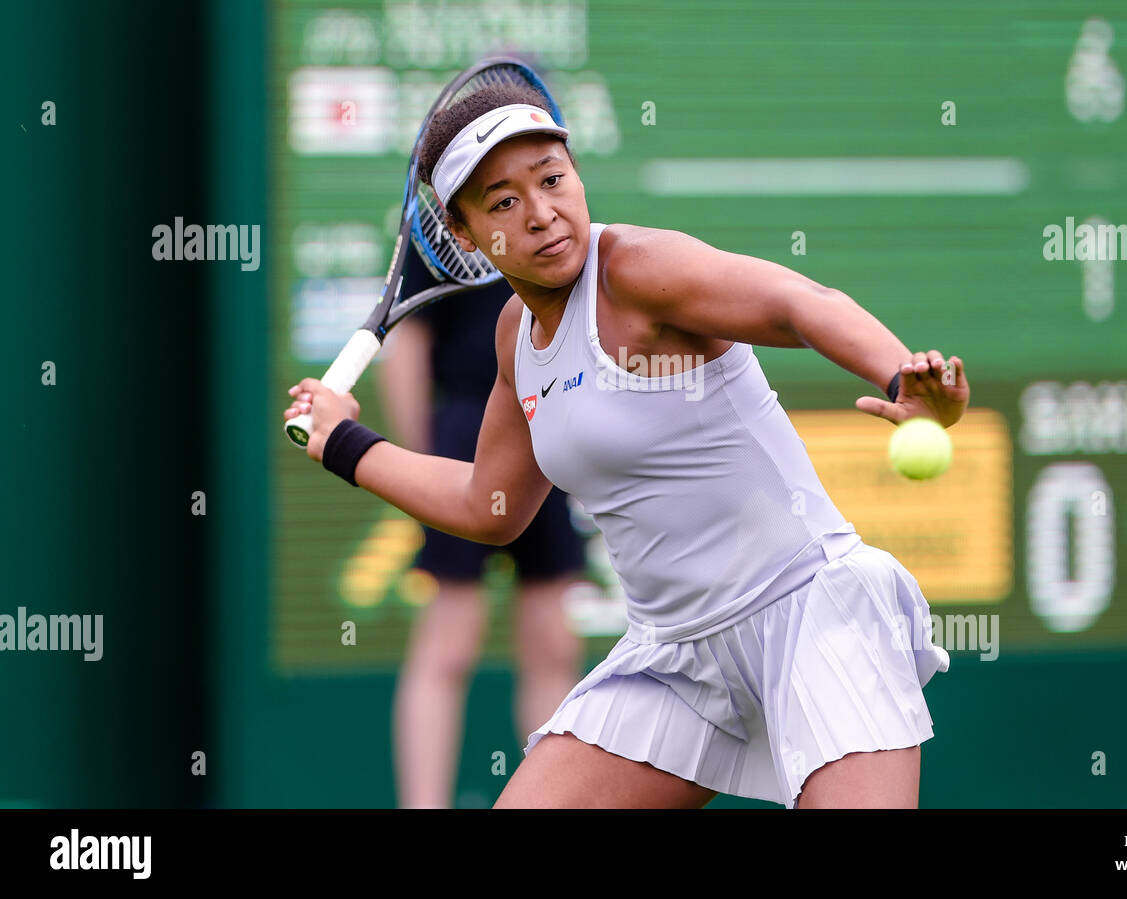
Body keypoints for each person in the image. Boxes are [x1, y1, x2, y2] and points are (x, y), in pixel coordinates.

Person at [284, 83, 969, 809]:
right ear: (465, 234)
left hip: (810, 612)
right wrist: (344, 443)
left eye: (552, 178)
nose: (543, 212)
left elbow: (799, 303)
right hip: (675, 661)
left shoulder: (639, 268)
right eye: (504, 201)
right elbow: (489, 506)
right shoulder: (517, 337)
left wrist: (900, 373)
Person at [378, 274, 586, 810]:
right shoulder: (445, 236)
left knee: (554, 643)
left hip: (546, 431)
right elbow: (407, 351)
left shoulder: (560, 233)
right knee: (449, 640)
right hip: (463, 439)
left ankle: (556, 798)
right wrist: (424, 470)